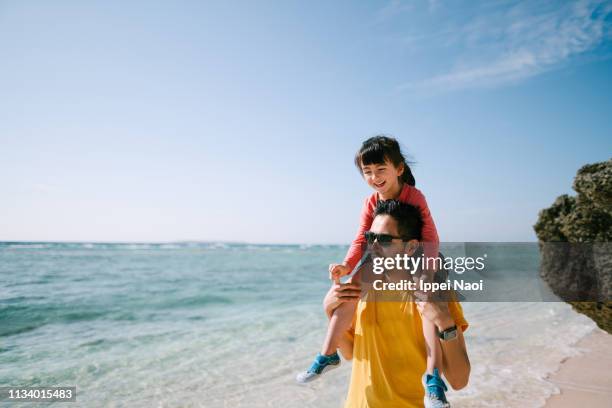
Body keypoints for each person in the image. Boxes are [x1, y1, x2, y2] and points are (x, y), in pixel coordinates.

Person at [297, 136, 446, 405]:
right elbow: (361, 239)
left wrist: (428, 272)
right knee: (350, 288)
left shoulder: (415, 197)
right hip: (382, 255)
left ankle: (433, 376)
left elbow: (431, 236)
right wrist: (347, 264)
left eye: (381, 170)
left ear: (399, 169)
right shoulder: (370, 203)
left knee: (427, 302)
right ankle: (328, 353)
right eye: (367, 172)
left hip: (419, 256)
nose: (375, 177)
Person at [327, 200, 470, 407]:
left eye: (383, 240)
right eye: (370, 237)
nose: (373, 246)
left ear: (411, 246)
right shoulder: (361, 289)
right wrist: (329, 310)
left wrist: (445, 322)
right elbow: (350, 353)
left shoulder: (438, 294)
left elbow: (459, 381)